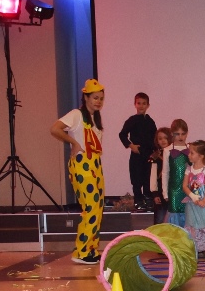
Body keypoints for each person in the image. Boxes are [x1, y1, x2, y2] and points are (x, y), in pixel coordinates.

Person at [50, 78, 106, 264]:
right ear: (86, 97)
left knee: (98, 207)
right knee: (91, 206)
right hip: (82, 164)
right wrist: (73, 143)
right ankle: (81, 251)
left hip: (95, 164)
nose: (98, 101)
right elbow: (55, 129)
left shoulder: (95, 118)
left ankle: (91, 249)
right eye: (95, 98)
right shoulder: (76, 114)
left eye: (101, 98)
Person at [118, 92, 157, 210]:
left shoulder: (150, 121)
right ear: (135, 104)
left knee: (147, 177)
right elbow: (122, 134)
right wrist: (131, 146)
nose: (141, 106)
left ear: (148, 105)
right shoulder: (132, 120)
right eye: (139, 103)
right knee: (136, 178)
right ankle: (138, 200)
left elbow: (155, 137)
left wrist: (156, 151)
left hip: (148, 155)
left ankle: (148, 198)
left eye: (144, 103)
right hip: (137, 154)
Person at [161, 120, 190, 227]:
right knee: (174, 216)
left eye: (183, 134)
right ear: (172, 134)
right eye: (177, 134)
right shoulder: (167, 150)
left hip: (188, 190)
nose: (180, 137)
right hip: (174, 190)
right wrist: (165, 192)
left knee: (188, 214)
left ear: (187, 133)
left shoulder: (191, 149)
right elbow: (165, 172)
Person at [149, 127, 172, 224]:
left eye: (165, 138)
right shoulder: (155, 156)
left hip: (173, 191)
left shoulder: (174, 154)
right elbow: (153, 176)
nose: (163, 141)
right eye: (160, 138)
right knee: (160, 220)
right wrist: (155, 194)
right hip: (160, 193)